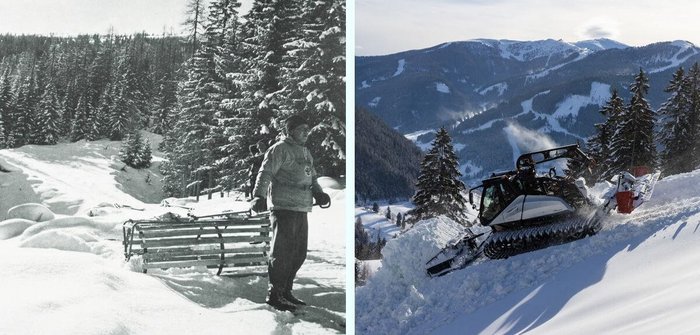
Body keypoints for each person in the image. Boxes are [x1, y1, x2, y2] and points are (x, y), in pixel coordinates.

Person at [250, 114, 331, 312]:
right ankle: (275, 293)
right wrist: (259, 196)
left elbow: (312, 179)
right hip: (284, 208)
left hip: (301, 208)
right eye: (302, 128)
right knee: (282, 253)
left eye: (307, 129)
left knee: (298, 253)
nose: (306, 132)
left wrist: (319, 194)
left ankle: (286, 290)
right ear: (290, 131)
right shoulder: (279, 149)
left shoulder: (305, 153)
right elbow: (265, 172)